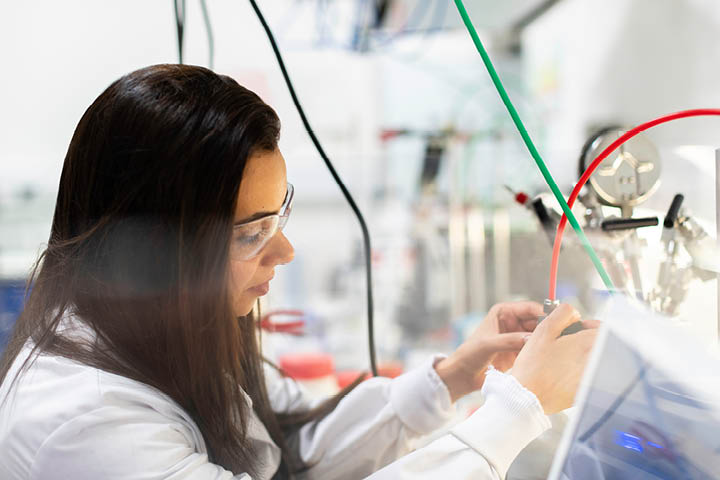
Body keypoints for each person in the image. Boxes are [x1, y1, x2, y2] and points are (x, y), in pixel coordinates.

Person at [0, 64, 597, 480]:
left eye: (277, 215)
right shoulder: (86, 423)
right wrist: (518, 408)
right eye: (250, 232)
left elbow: (291, 450)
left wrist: (456, 375)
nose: (282, 251)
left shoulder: (166, 330)